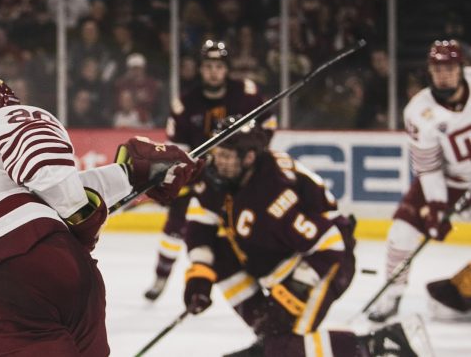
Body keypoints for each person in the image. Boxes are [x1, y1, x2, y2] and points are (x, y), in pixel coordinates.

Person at [0, 77, 202, 356]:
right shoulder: (5, 119)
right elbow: (51, 177)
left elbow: (49, 186)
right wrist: (113, 190)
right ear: (9, 104)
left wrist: (127, 178)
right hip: (55, 260)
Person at [181, 116, 428, 357]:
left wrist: (295, 291)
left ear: (249, 157)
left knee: (285, 348)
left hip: (327, 263)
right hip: (281, 261)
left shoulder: (272, 197)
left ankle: (382, 344)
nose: (217, 162)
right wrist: (200, 271)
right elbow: (200, 219)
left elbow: (329, 243)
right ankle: (269, 342)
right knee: (223, 257)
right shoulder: (226, 176)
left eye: (226, 156)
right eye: (216, 154)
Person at [144, 40, 276, 301]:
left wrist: (247, 159)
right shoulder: (185, 104)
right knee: (175, 226)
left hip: (240, 175)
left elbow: (268, 125)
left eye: (218, 66)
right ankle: (161, 276)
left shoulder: (247, 95)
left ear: (226, 69)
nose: (213, 71)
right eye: (208, 66)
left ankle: (267, 273)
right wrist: (186, 173)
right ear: (200, 69)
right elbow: (178, 149)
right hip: (199, 175)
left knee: (254, 220)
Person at [368, 39, 471, 323]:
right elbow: (428, 167)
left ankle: (464, 290)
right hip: (449, 180)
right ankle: (392, 295)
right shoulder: (419, 111)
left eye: (449, 67)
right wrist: (437, 205)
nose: (444, 74)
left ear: (461, 68)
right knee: (401, 231)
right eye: (437, 69)